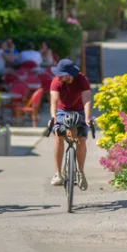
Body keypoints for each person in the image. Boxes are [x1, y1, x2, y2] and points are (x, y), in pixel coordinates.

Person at [48, 59, 92, 190]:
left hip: (79, 111)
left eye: (61, 74)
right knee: (58, 134)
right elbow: (54, 101)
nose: (58, 76)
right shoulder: (56, 81)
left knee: (82, 139)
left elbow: (87, 100)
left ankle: (80, 172)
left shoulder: (82, 80)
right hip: (62, 111)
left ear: (69, 74)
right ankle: (57, 174)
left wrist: (88, 118)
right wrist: (53, 117)